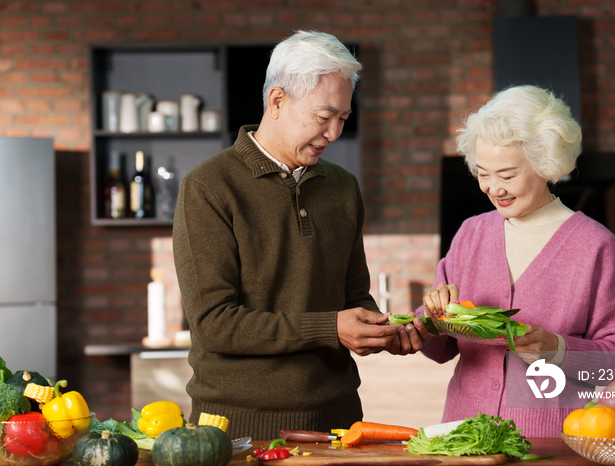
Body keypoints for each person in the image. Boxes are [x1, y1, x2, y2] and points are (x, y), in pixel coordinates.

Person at [172, 30, 427, 440]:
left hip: (341, 419)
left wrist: (380, 332)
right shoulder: (208, 187)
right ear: (277, 101)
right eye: (324, 117)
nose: (334, 133)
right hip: (238, 426)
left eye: (343, 119)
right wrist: (332, 328)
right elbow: (215, 325)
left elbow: (353, 295)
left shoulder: (343, 187)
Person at [417, 85, 615, 437]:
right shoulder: (471, 234)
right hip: (464, 440)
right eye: (483, 173)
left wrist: (558, 349)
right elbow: (438, 350)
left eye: (508, 175)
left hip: (555, 444)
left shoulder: (596, 247)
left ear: (546, 164)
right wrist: (432, 319)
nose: (494, 188)